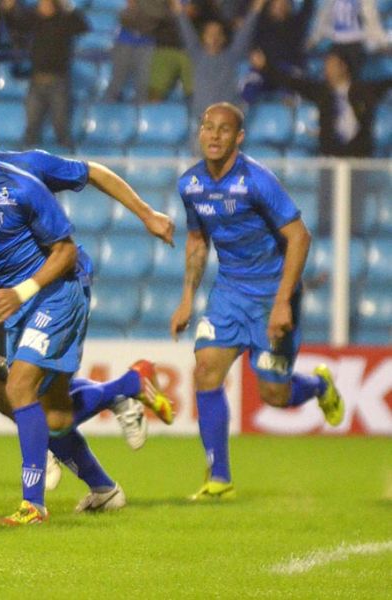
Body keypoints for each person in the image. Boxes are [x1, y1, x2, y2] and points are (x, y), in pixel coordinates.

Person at [0, 100, 174, 525]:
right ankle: (106, 477)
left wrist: (147, 215)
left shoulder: (27, 175)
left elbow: (90, 183)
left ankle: (33, 504)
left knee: (19, 387)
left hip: (60, 285)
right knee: (55, 416)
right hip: (19, 298)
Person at [169, 102, 345, 501]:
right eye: (207, 127)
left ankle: (318, 386)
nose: (214, 135)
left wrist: (283, 302)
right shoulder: (190, 185)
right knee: (206, 371)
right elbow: (198, 241)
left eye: (223, 129)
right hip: (229, 294)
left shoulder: (256, 181)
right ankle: (220, 478)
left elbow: (300, 237)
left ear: (238, 138)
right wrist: (185, 301)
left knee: (273, 395)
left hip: (272, 296)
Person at [251, 48, 392, 234]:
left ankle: (353, 241)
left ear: (343, 67)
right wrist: (265, 67)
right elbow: (293, 83)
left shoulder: (363, 91)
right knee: (327, 210)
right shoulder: (322, 92)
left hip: (357, 163)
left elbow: (387, 83)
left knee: (354, 213)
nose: (326, 69)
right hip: (330, 161)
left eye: (330, 64)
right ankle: (327, 238)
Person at [0, 0, 89, 150]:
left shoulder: (64, 20)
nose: (42, 5)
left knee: (61, 124)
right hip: (37, 79)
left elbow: (82, 26)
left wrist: (68, 8)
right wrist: (8, 11)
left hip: (59, 80)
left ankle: (69, 155)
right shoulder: (34, 19)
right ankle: (26, 158)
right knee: (32, 124)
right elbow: (16, 25)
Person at [172, 0, 265, 127]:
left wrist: (256, 9)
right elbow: (185, 28)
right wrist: (178, 9)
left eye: (217, 34)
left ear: (224, 38)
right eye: (209, 34)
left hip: (227, 123)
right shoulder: (196, 54)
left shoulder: (232, 56)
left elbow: (246, 32)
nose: (214, 38)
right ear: (203, 37)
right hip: (202, 123)